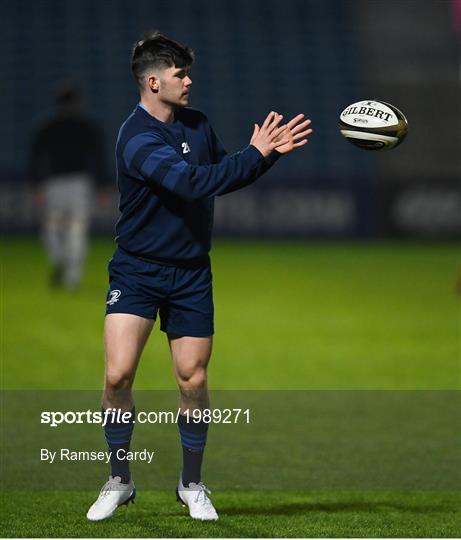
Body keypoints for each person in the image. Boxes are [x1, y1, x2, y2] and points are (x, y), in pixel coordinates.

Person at [86, 31, 312, 522]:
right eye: (179, 73)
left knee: (192, 380)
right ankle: (119, 479)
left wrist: (265, 154)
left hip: (190, 272)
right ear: (152, 81)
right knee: (118, 373)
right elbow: (191, 183)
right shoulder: (137, 136)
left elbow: (225, 174)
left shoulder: (198, 125)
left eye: (188, 72)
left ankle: (191, 484)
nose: (189, 80)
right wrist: (254, 155)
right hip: (138, 269)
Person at [29, 82, 106, 289]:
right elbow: (99, 158)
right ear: (78, 101)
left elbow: (35, 159)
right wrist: (101, 186)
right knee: (76, 230)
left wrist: (37, 185)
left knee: (52, 229)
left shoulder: (47, 126)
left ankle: (59, 259)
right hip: (79, 185)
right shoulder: (86, 126)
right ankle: (72, 277)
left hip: (54, 185)